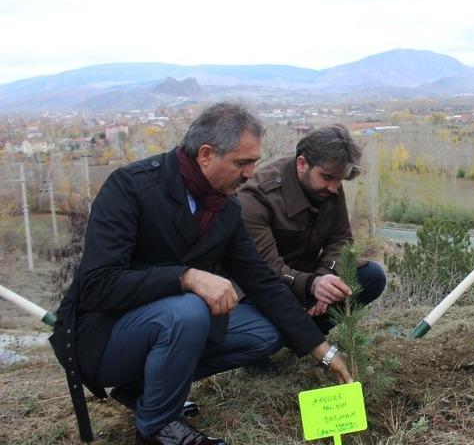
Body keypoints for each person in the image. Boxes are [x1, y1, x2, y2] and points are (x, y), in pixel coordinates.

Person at [49, 103, 350, 445]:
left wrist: (324, 352)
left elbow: (263, 282)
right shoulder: (131, 189)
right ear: (206, 155)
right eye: (243, 163)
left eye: (253, 162)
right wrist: (186, 277)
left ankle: (145, 388)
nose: (251, 173)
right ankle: (158, 430)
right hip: (102, 337)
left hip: (165, 325)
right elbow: (96, 286)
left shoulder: (224, 208)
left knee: (264, 333)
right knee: (189, 309)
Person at [238, 125, 385, 336]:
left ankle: (308, 336)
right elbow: (265, 268)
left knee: (371, 276)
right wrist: (311, 285)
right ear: (301, 164)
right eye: (327, 178)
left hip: (308, 275)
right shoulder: (257, 197)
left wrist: (324, 278)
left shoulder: (330, 184)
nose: (334, 188)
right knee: (264, 321)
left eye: (339, 180)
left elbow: (341, 238)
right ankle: (278, 341)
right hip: (266, 284)